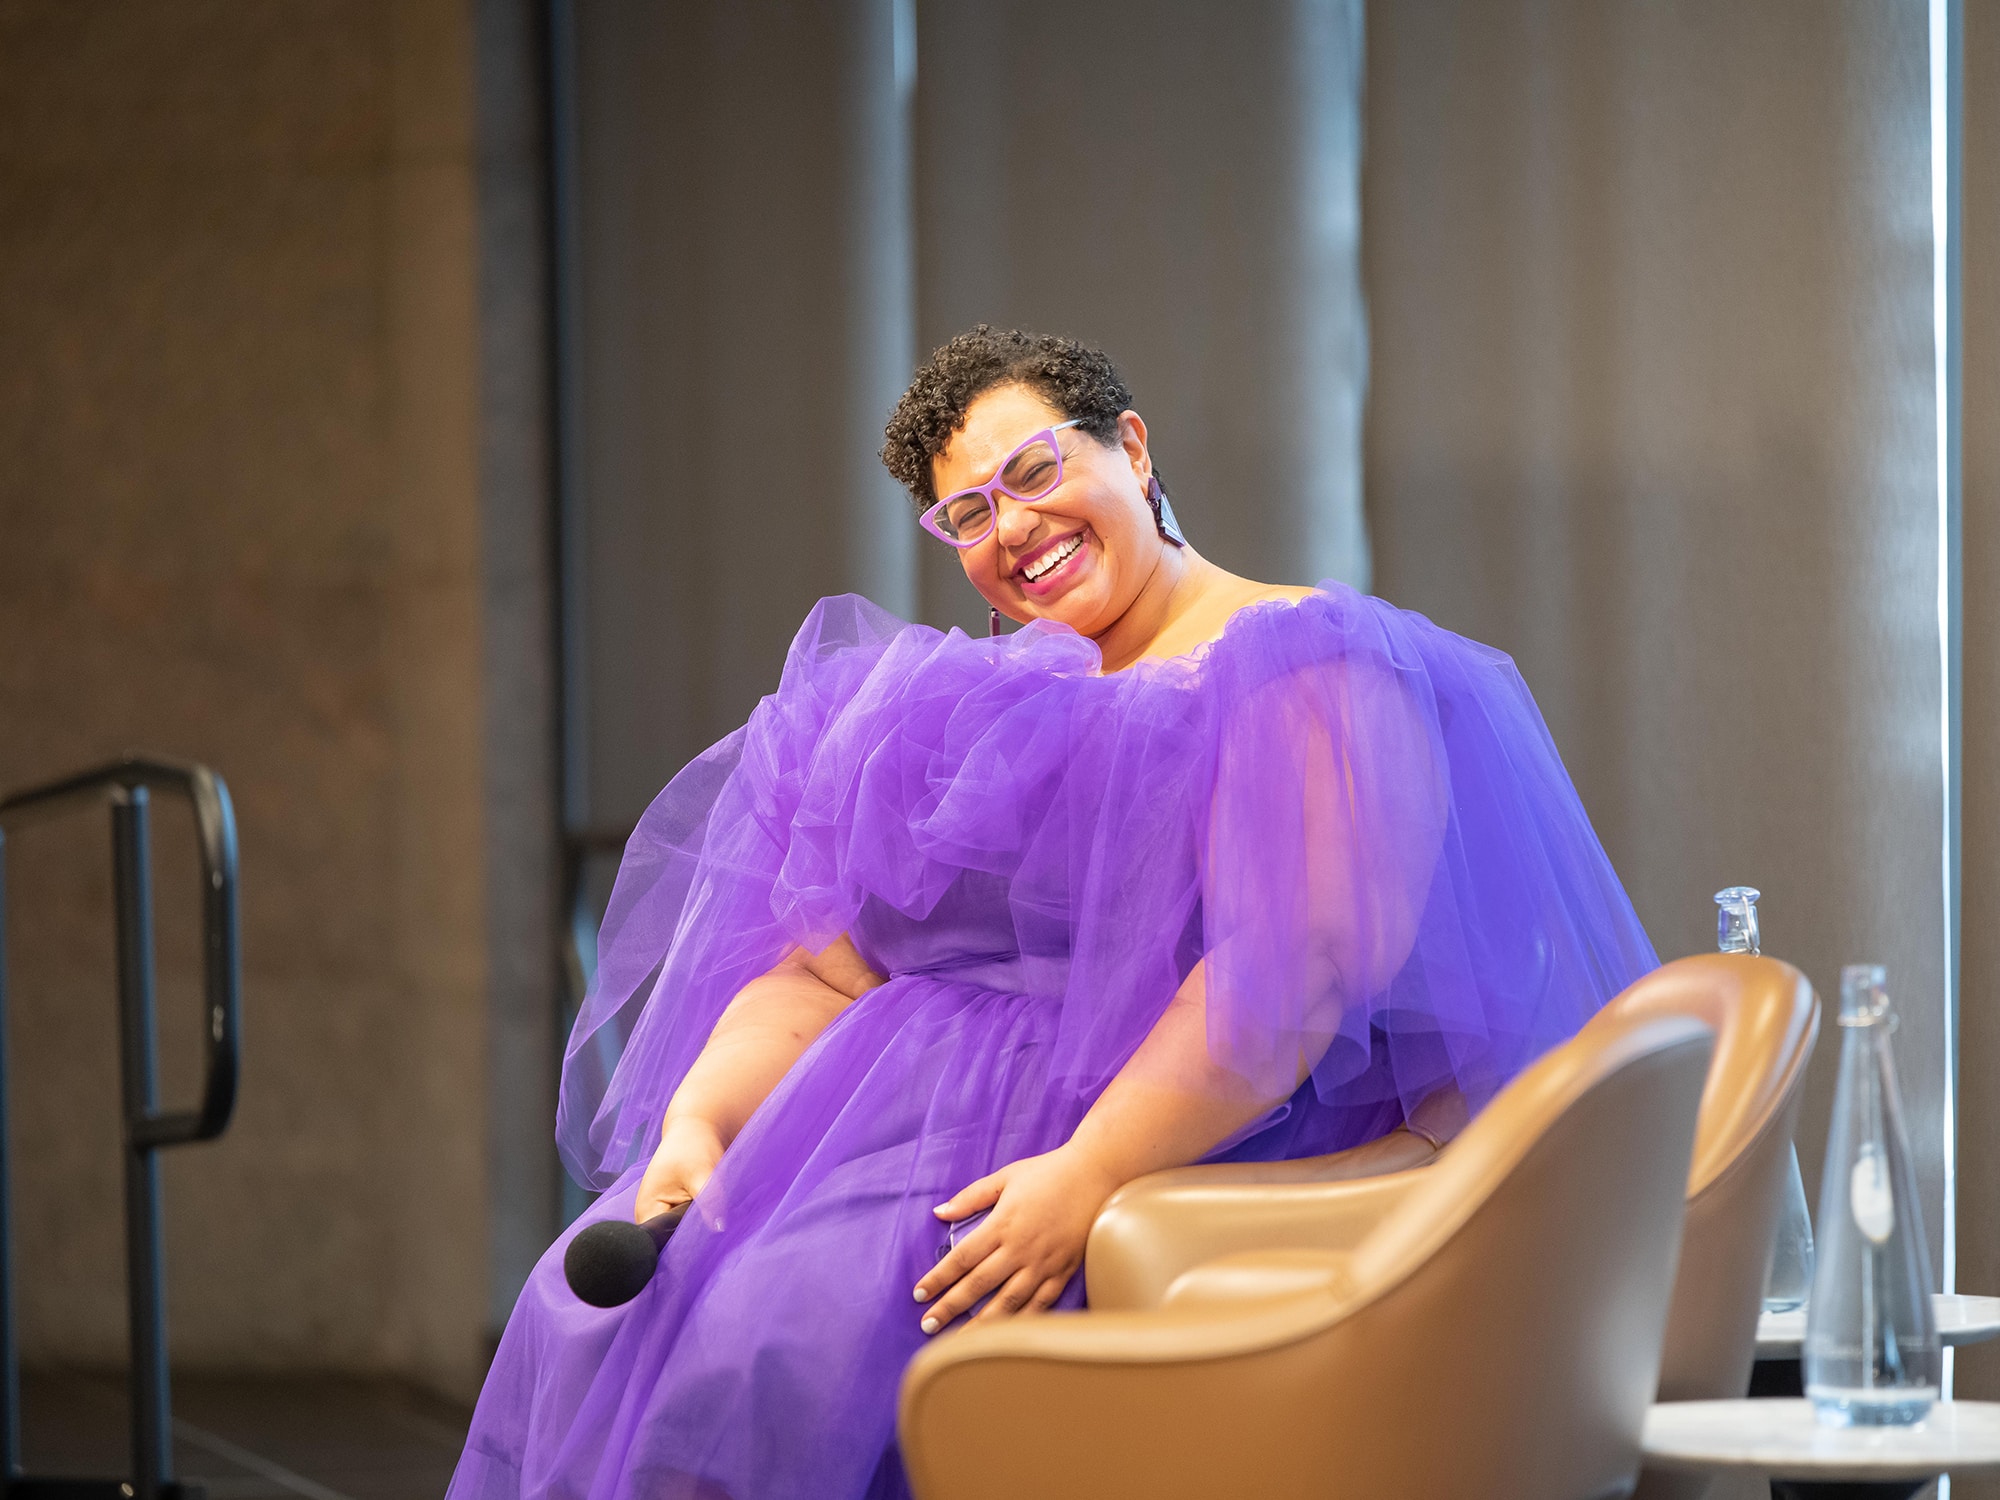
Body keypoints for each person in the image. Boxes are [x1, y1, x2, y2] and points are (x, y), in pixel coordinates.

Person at [449, 328, 1658, 1500]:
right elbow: (823, 974)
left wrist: (1085, 1174)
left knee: (758, 1366)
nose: (1012, 529)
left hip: (1132, 1155)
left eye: (1034, 472)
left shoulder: (1301, 661)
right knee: (596, 1321)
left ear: (1129, 448)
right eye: (967, 515)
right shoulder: (952, 707)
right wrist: (703, 1120)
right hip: (868, 1146)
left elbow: (1297, 965)